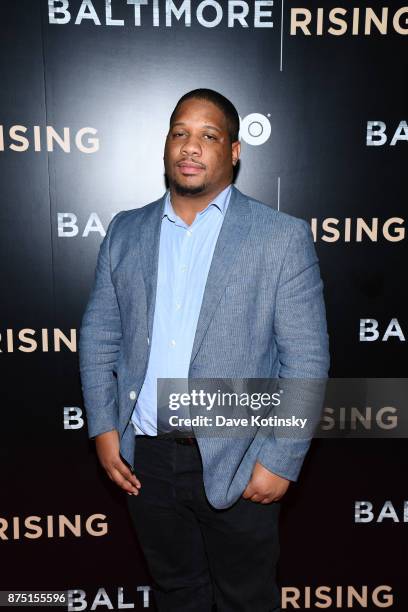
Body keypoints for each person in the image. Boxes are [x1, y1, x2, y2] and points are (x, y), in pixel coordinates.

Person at [78, 88, 330, 612]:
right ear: (167, 145)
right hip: (144, 459)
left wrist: (279, 459)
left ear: (234, 151)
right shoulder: (126, 230)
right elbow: (101, 335)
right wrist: (104, 430)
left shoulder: (280, 237)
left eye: (209, 136)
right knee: (177, 595)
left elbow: (304, 360)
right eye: (180, 133)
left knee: (246, 600)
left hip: (239, 461)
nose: (191, 147)